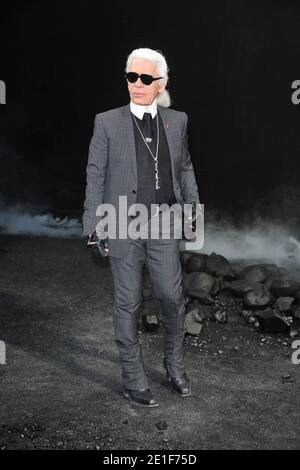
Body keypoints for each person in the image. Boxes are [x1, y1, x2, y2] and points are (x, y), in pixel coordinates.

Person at [82, 48, 200, 407]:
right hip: (120, 220)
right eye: (131, 76)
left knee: (171, 296)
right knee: (127, 302)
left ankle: (174, 365)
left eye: (145, 78)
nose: (136, 84)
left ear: (160, 82)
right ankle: (133, 378)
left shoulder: (177, 121)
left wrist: (194, 211)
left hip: (164, 220)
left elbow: (185, 168)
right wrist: (93, 226)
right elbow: (95, 174)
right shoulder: (106, 121)